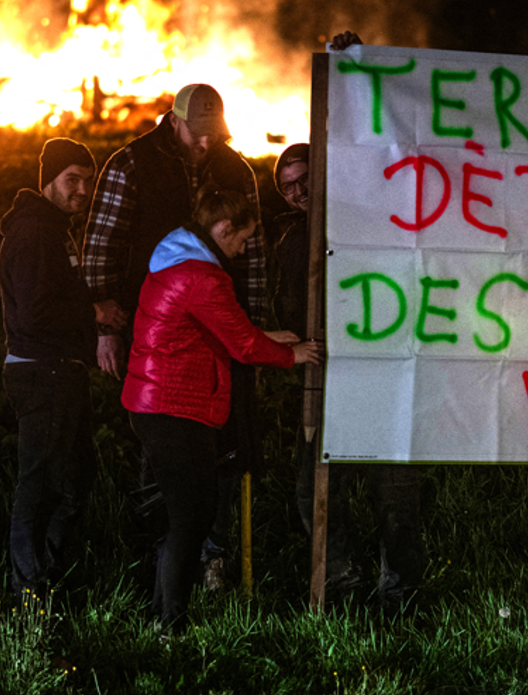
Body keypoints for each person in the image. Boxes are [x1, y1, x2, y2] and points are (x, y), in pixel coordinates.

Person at [83, 82, 271, 589]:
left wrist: (250, 329)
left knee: (225, 441)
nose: (207, 144)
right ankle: (160, 557)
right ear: (175, 120)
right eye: (199, 133)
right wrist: (106, 327)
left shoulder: (236, 170)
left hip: (218, 330)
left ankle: (212, 556)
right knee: (164, 443)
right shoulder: (131, 164)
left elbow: (251, 256)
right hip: (160, 335)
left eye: (216, 134)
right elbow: (103, 243)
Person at [121, 185, 321, 634]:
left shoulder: (177, 257)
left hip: (157, 402)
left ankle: (161, 615)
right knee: (191, 517)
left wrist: (275, 336)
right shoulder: (203, 277)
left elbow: (224, 326)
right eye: (242, 238)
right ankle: (170, 624)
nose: (244, 248)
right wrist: (296, 355)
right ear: (223, 228)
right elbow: (243, 345)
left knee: (181, 515)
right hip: (175, 408)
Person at [281, 43, 428, 616]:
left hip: (383, 376)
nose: (297, 191)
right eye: (286, 186)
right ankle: (341, 581)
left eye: (304, 178)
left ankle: (403, 596)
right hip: (326, 382)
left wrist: (356, 69)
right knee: (313, 491)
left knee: (396, 493)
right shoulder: (294, 241)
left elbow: (377, 146)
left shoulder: (370, 212)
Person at [0, 137, 123, 607]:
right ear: (47, 180)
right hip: (41, 370)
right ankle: (29, 591)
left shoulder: (53, 229)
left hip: (61, 370)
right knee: (42, 482)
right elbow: (35, 314)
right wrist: (94, 313)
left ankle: (52, 577)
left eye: (87, 181)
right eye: (72, 180)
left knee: (75, 479)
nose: (82, 190)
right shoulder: (33, 234)